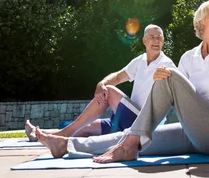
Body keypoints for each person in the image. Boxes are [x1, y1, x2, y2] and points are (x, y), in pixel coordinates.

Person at [36, 1, 209, 161]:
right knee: (133, 137)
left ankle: (128, 144)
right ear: (200, 23)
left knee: (165, 82)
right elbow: (181, 98)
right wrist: (161, 84)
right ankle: (67, 146)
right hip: (194, 132)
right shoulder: (188, 58)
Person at [26, 24, 175, 141]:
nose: (156, 41)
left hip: (144, 123)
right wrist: (101, 84)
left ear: (163, 41)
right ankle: (39, 134)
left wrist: (166, 77)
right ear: (144, 40)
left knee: (109, 91)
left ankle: (59, 135)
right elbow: (117, 77)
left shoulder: (166, 64)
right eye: (152, 37)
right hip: (127, 119)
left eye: (159, 38)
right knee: (83, 128)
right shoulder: (140, 61)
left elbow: (176, 87)